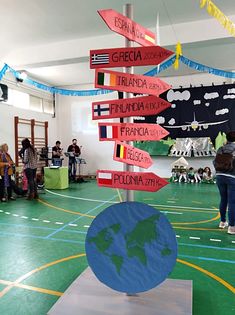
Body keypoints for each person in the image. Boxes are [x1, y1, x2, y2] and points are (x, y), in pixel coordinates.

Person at [214, 131, 235, 234]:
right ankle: (232, 227)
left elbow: (214, 162)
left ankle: (222, 222)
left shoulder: (221, 149)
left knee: (223, 199)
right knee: (232, 202)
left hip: (219, 176)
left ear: (227, 139)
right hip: (232, 177)